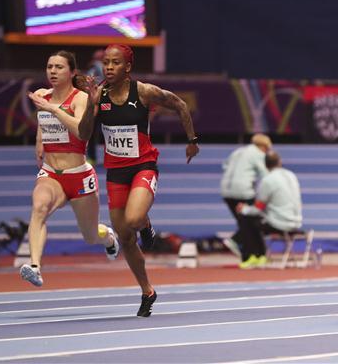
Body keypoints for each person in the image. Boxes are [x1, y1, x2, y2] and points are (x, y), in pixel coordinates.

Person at [78, 44, 199, 317]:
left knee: (133, 220)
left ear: (127, 67)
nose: (108, 68)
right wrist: (90, 103)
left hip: (144, 166)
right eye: (106, 63)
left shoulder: (143, 92)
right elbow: (84, 134)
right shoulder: (99, 96)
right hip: (116, 172)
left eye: (115, 63)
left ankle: (146, 223)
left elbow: (180, 104)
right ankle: (147, 291)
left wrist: (192, 140)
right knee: (125, 237)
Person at [20, 51, 119, 286]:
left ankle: (108, 238)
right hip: (51, 173)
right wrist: (39, 141)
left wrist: (53, 109)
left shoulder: (80, 99)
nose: (53, 71)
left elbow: (80, 131)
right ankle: (35, 266)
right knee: (38, 207)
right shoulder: (43, 96)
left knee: (90, 235)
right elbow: (43, 124)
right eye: (49, 66)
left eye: (59, 67)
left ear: (72, 72)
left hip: (79, 176)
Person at [237, 151, 303, 267]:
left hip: (279, 223)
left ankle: (257, 256)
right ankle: (259, 254)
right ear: (280, 162)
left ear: (265, 165)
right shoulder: (292, 175)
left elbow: (258, 208)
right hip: (297, 222)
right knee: (256, 219)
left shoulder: (268, 180)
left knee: (246, 219)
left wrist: (244, 209)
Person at [221, 133, 272, 268]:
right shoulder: (258, 154)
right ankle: (240, 245)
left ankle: (251, 256)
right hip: (243, 192)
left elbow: (225, 166)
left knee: (244, 223)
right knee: (251, 223)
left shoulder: (238, 151)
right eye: (267, 149)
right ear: (263, 146)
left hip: (226, 190)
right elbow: (266, 174)